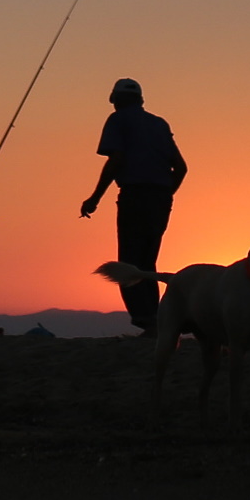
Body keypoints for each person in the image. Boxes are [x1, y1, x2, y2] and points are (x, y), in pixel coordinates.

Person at [80, 78, 186, 333]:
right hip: (161, 199)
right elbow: (181, 168)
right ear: (140, 99)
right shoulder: (159, 124)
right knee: (148, 262)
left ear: (114, 99)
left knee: (130, 261)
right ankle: (157, 321)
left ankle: (147, 320)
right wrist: (164, 194)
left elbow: (116, 158)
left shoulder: (118, 120)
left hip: (135, 196)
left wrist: (95, 198)